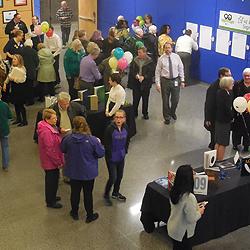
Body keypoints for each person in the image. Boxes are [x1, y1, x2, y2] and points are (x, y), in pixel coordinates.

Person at [61, 116, 105, 222]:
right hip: (88, 172)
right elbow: (100, 153)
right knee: (88, 194)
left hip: (73, 171)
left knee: (74, 192)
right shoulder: (92, 140)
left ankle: (74, 212)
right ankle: (89, 215)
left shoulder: (68, 138)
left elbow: (62, 149)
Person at [168, 165, 205, 250]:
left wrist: (194, 207)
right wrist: (200, 211)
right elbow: (191, 219)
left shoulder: (174, 191)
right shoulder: (189, 197)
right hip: (183, 233)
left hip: (173, 228)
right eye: (193, 175)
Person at [37, 109, 64, 209]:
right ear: (47, 119)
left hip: (50, 160)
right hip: (50, 162)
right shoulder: (46, 132)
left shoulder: (49, 126)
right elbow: (50, 150)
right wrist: (58, 161)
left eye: (56, 117)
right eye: (53, 118)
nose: (56, 119)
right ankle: (50, 201)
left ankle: (52, 196)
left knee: (54, 179)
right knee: (51, 181)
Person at [103, 109, 130, 206]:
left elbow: (127, 140)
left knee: (120, 176)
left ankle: (115, 192)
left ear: (124, 119)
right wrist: (110, 156)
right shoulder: (110, 129)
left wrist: (125, 151)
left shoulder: (126, 127)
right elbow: (106, 144)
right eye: (117, 117)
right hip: (111, 157)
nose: (118, 119)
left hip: (121, 156)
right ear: (114, 118)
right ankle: (106, 194)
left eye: (121, 117)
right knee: (113, 177)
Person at [155, 42, 185, 125]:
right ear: (164, 49)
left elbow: (181, 68)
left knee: (175, 99)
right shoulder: (161, 59)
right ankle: (167, 117)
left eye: (169, 47)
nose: (168, 49)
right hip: (165, 81)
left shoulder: (176, 57)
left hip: (175, 80)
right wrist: (157, 84)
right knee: (165, 100)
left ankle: (172, 112)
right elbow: (157, 72)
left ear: (172, 48)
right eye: (166, 48)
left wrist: (182, 80)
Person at [204, 67, 231, 150]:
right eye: (227, 75)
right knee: (214, 135)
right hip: (214, 116)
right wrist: (207, 118)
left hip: (222, 117)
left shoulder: (228, 86)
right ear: (221, 76)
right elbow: (209, 104)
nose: (230, 77)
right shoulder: (213, 87)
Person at [128, 47, 154, 119]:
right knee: (135, 99)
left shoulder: (150, 61)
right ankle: (134, 113)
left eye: (140, 52)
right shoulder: (135, 60)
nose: (138, 54)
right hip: (136, 83)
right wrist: (135, 75)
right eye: (138, 52)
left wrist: (144, 77)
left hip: (146, 83)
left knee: (145, 99)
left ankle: (145, 113)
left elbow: (152, 72)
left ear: (145, 53)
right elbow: (132, 70)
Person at [3, 54, 27, 126]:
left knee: (21, 105)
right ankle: (18, 119)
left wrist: (13, 79)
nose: (13, 60)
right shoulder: (13, 68)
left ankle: (24, 121)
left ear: (19, 61)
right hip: (14, 88)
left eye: (15, 59)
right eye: (13, 59)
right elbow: (9, 76)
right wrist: (5, 83)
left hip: (20, 89)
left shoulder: (21, 69)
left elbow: (22, 80)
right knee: (16, 104)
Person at [215, 77, 234, 161]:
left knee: (218, 141)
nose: (233, 85)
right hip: (224, 121)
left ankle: (215, 159)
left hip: (219, 120)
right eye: (231, 83)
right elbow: (227, 109)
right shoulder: (225, 95)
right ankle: (220, 161)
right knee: (223, 143)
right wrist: (232, 116)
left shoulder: (219, 92)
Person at [232, 68, 250, 151]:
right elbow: (233, 97)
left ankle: (246, 145)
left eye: (249, 76)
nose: (247, 78)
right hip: (239, 112)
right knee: (237, 129)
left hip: (249, 112)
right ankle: (236, 144)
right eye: (245, 76)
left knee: (248, 129)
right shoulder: (237, 84)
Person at [20, 39, 39, 105]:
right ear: (31, 44)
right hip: (31, 71)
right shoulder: (34, 51)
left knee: (24, 86)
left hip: (23, 71)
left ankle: (25, 100)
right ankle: (31, 101)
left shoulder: (21, 51)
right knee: (30, 87)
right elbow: (37, 61)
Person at [0, 89, 12, 171]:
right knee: (5, 147)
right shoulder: (5, 105)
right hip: (4, 129)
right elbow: (9, 116)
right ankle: (5, 165)